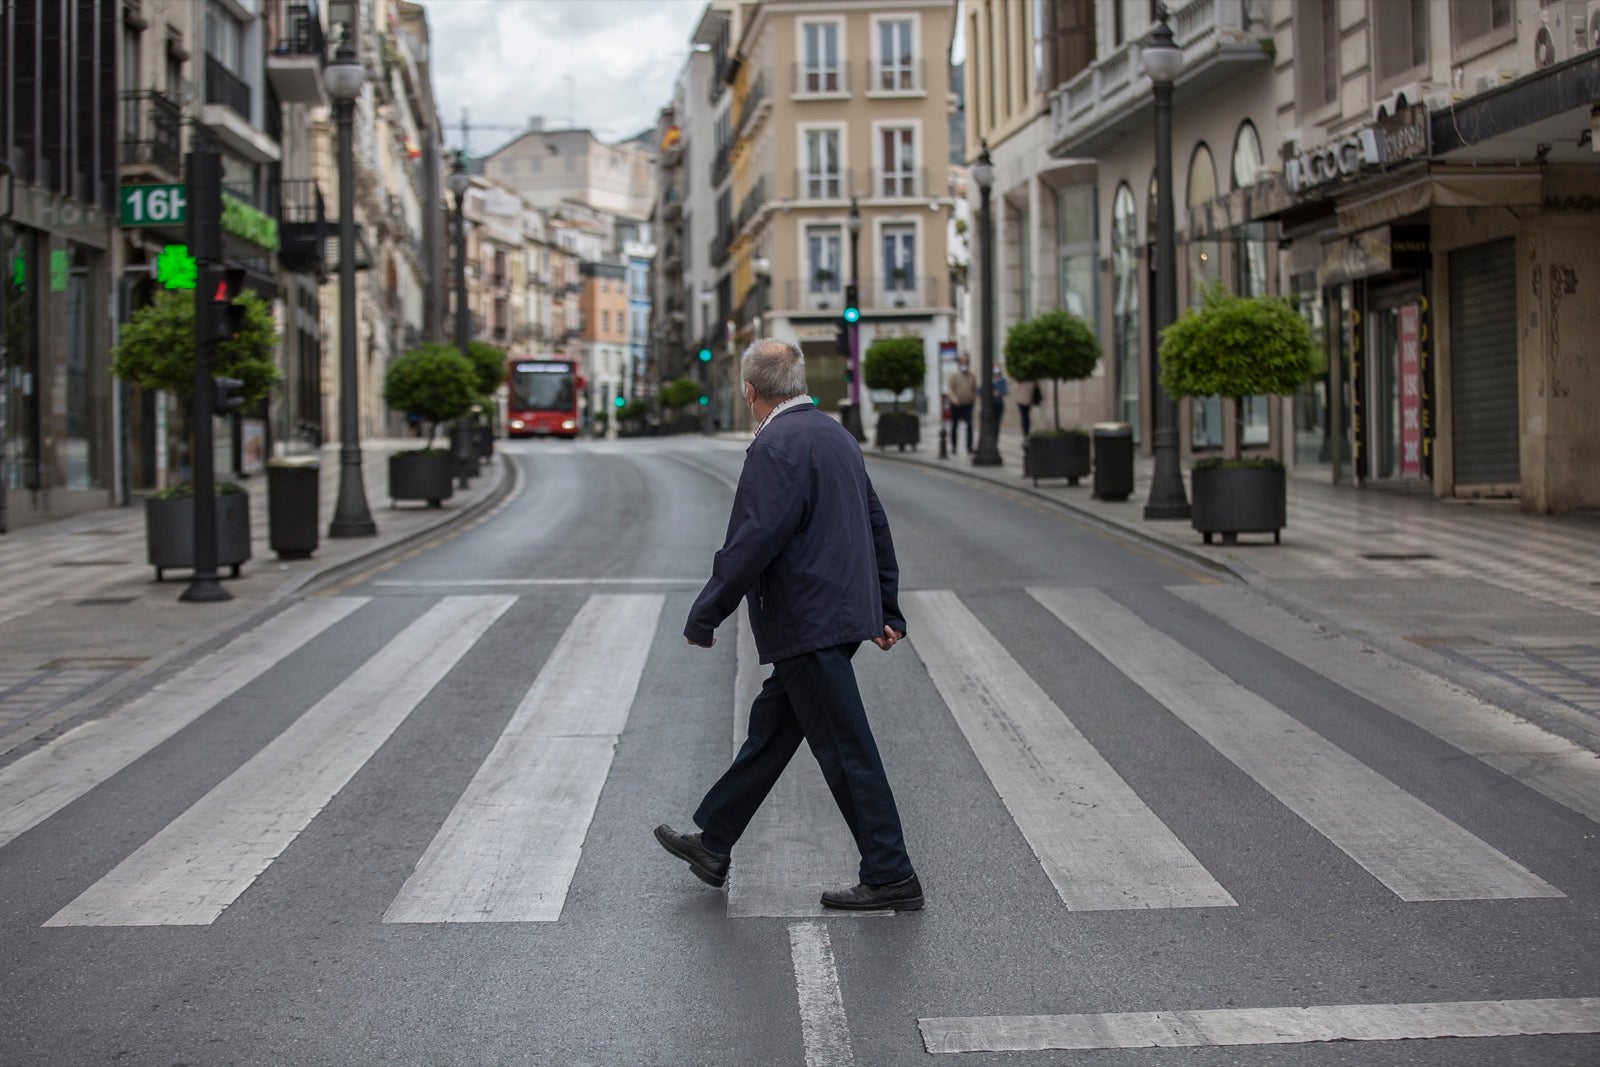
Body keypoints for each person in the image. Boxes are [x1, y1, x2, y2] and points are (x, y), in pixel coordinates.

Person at [655, 338, 923, 912]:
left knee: (847, 750)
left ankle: (891, 872)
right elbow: (875, 522)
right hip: (837, 615)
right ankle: (715, 841)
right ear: (797, 382)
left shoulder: (774, 446)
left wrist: (706, 614)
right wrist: (887, 607)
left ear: (749, 391)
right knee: (773, 730)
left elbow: (752, 540)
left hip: (808, 618)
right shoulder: (835, 435)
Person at [945, 357, 977, 454]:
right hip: (956, 404)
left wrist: (973, 399)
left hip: (968, 404)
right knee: (954, 425)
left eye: (966, 363)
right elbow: (950, 390)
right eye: (963, 363)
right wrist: (954, 399)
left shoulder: (972, 376)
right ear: (959, 364)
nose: (964, 365)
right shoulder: (954, 376)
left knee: (969, 426)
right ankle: (954, 446)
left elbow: (974, 390)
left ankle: (969, 447)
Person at [991, 368, 1009, 438]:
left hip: (999, 404)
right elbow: (980, 390)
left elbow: (1005, 391)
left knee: (997, 423)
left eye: (998, 374)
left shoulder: (1002, 381)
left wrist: (999, 392)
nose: (996, 375)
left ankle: (995, 438)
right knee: (991, 423)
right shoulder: (989, 380)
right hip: (990, 404)